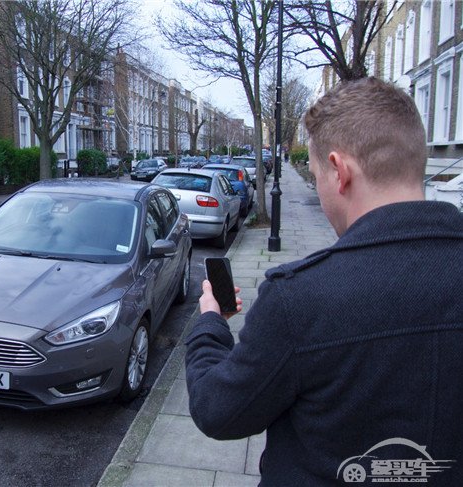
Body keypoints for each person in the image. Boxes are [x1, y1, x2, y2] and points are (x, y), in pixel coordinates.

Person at [185, 77, 463, 485]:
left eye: (315, 175)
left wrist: (210, 322)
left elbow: (218, 410)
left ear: (339, 171)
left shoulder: (300, 299)